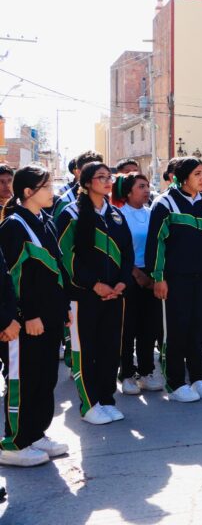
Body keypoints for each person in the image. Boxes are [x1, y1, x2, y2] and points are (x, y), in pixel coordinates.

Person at [0, 165, 69, 464]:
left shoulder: (46, 221)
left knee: (45, 378)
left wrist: (63, 309)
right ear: (28, 192)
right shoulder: (14, 226)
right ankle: (14, 443)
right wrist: (27, 314)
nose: (52, 191)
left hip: (50, 316)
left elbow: (58, 270)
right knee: (24, 380)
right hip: (28, 320)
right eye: (46, 186)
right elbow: (13, 278)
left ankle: (36, 433)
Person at [55, 162, 133, 424]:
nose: (108, 181)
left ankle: (107, 399)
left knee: (110, 349)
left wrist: (122, 282)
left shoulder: (116, 214)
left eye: (109, 176)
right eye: (101, 177)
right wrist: (94, 284)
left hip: (115, 295)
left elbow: (127, 252)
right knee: (85, 351)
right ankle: (89, 404)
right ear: (87, 182)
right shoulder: (71, 214)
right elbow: (66, 257)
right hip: (84, 296)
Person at [147, 158, 202, 402]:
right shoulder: (165, 203)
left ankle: (199, 378)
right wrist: (158, 277)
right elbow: (156, 243)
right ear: (183, 178)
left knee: (200, 328)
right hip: (175, 280)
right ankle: (175, 383)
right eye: (197, 174)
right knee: (176, 330)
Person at [114, 173, 164, 395]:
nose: (146, 190)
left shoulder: (151, 213)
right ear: (128, 192)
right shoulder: (119, 215)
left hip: (151, 277)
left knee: (149, 327)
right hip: (128, 276)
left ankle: (146, 371)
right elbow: (118, 251)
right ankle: (126, 373)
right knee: (128, 328)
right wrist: (135, 273)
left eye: (147, 186)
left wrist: (153, 277)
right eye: (141, 186)